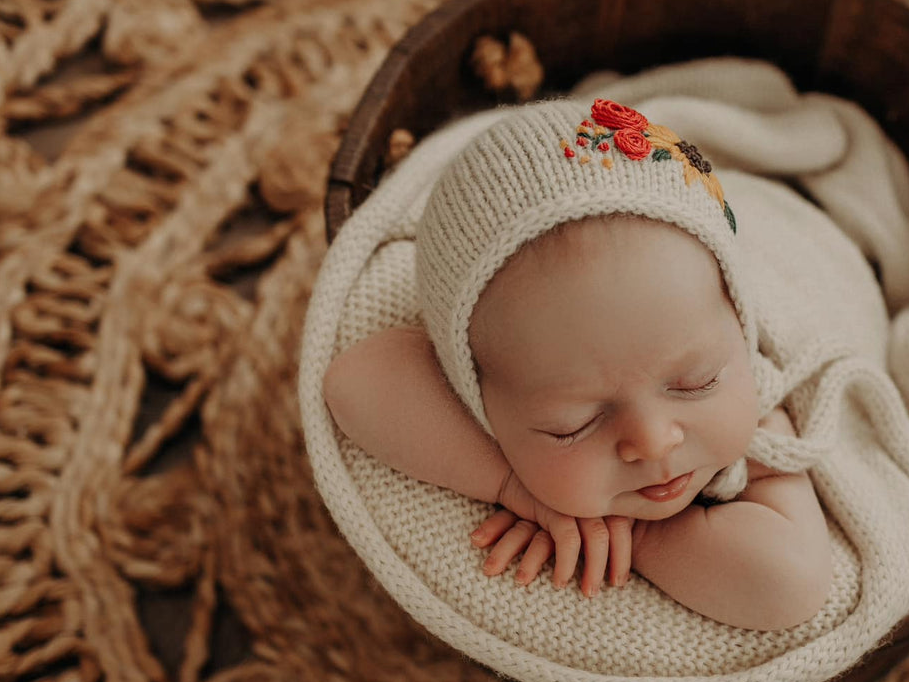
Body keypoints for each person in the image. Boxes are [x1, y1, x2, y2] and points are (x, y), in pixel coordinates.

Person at [320, 98, 834, 632]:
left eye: (696, 382)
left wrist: (636, 533)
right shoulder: (510, 368)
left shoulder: (765, 417)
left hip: (794, 229)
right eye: (574, 425)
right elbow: (352, 381)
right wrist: (513, 488)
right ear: (474, 393)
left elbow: (787, 587)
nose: (654, 442)